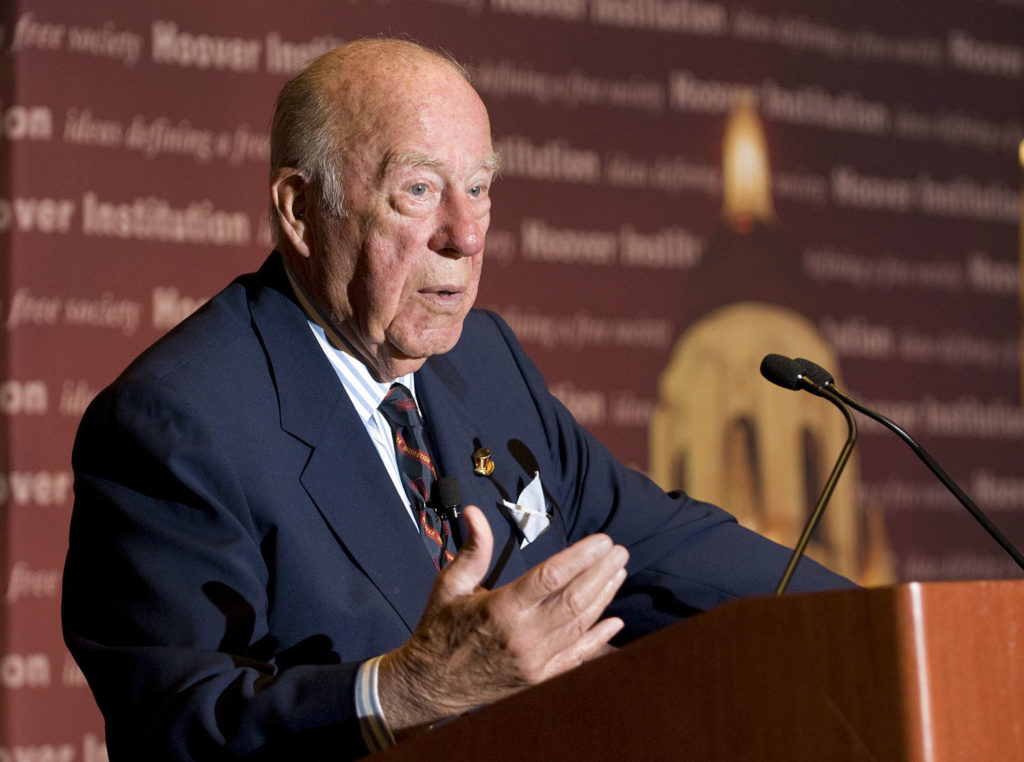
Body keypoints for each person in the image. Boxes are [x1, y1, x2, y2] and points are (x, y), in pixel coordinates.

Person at [62, 38, 853, 760]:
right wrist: (408, 690)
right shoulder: (177, 424)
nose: (466, 236)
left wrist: (875, 632)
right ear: (301, 210)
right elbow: (177, 732)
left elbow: (654, 547)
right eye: (418, 191)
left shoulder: (483, 359)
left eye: (478, 189)